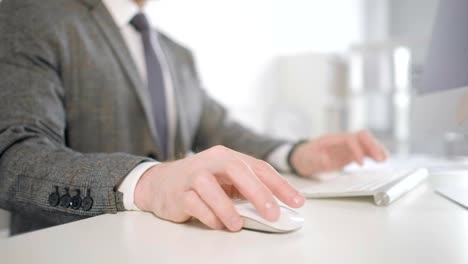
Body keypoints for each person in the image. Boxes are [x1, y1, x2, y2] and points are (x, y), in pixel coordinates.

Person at [0, 0, 388, 235]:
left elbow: (217, 129)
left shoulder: (176, 53)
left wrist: (297, 153)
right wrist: (149, 182)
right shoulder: (33, 15)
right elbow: (14, 154)